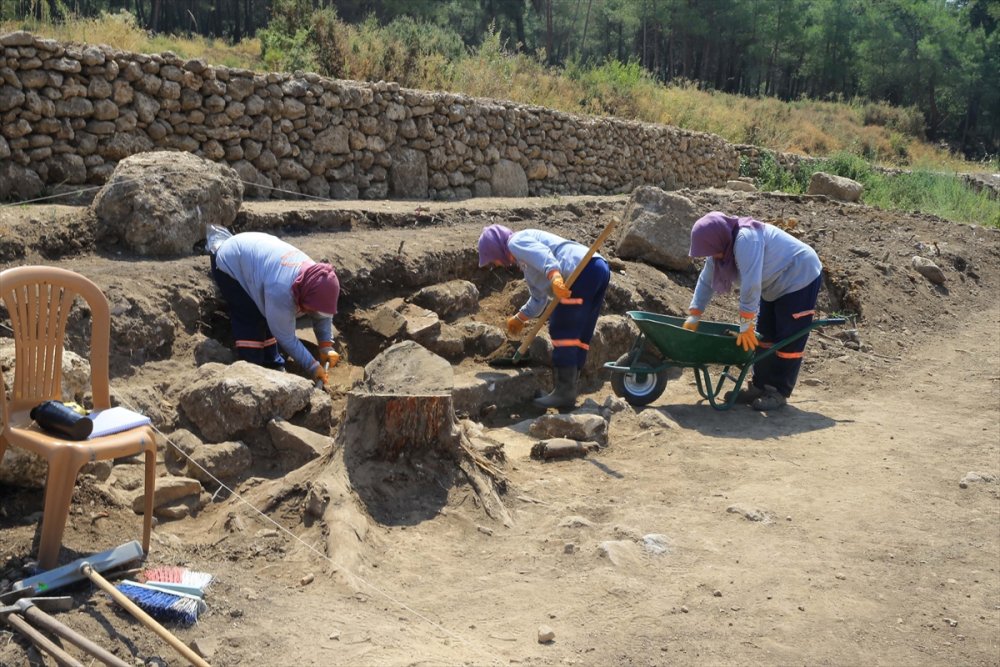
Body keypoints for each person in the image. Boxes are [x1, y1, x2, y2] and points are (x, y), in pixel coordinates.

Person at [683, 211, 823, 411]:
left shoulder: (746, 239)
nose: (712, 256)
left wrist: (746, 323)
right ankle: (759, 386)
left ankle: (779, 391)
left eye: (712, 251)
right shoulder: (722, 245)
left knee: (788, 339)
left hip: (800, 274)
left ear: (717, 239)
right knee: (764, 337)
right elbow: (706, 280)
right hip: (773, 283)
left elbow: (751, 284)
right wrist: (695, 313)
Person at [478, 224, 611, 409]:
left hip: (581, 270)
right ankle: (567, 390)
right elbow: (538, 299)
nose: (496, 264)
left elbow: (543, 255)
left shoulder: (515, 242)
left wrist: (554, 276)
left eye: (493, 260)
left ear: (496, 249)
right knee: (580, 332)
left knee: (562, 326)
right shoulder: (525, 262)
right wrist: (520, 317)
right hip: (597, 269)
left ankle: (564, 393)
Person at [209, 231, 340, 388]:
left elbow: (322, 313)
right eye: (310, 309)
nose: (313, 313)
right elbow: (286, 338)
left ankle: (273, 364)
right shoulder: (282, 290)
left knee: (270, 316)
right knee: (251, 318)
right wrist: (312, 366)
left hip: (255, 258)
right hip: (230, 262)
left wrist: (325, 345)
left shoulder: (318, 278)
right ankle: (252, 373)